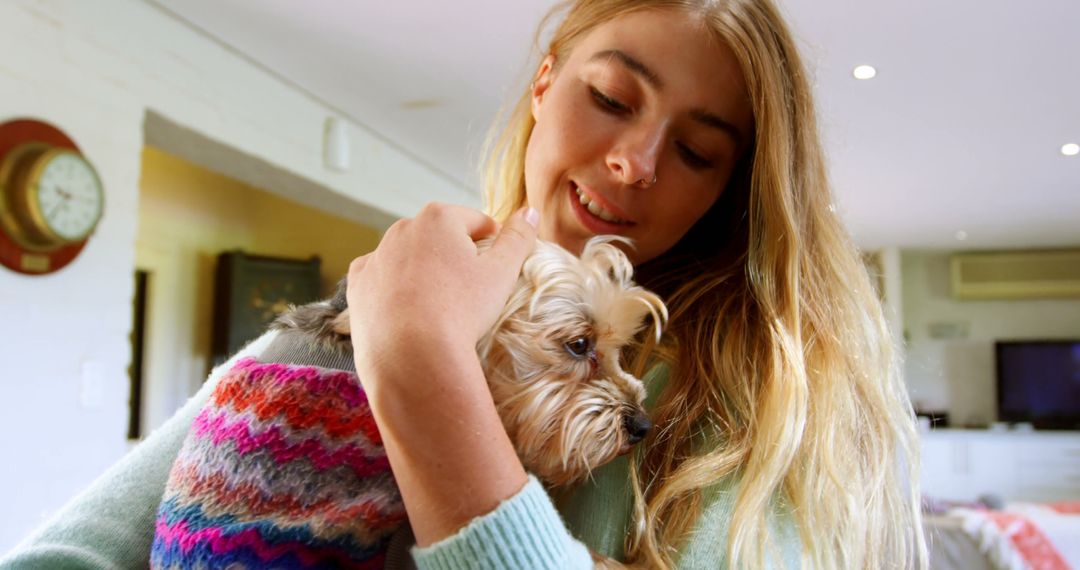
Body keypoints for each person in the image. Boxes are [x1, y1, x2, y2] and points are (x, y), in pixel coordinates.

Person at [0, 0, 928, 568]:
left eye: (695, 150)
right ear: (543, 86)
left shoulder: (759, 405)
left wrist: (420, 368)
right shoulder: (353, 317)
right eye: (610, 98)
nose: (638, 162)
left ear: (733, 188)